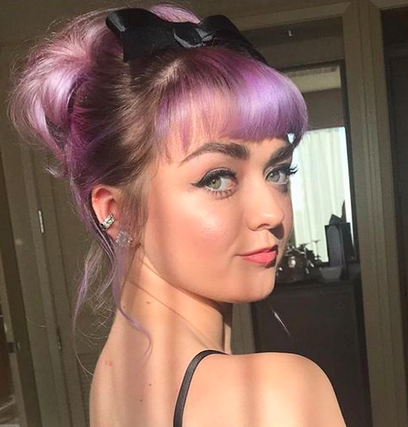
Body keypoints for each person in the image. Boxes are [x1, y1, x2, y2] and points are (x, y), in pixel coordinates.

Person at [9, 3, 346, 427]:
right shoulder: (275, 394)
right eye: (218, 178)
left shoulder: (115, 379)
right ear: (117, 212)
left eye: (278, 171)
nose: (271, 212)